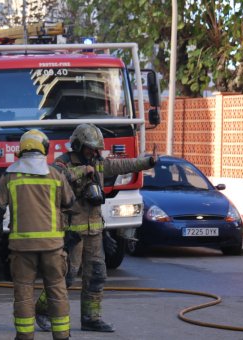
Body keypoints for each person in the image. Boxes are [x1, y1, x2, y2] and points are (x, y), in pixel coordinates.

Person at [35, 123, 158, 332]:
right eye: (90, 148)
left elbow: (122, 165)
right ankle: (43, 310)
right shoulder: (63, 163)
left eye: (96, 149)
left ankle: (91, 318)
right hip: (71, 233)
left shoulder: (99, 162)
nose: (94, 153)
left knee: (97, 275)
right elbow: (55, 178)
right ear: (77, 145)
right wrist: (83, 171)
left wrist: (148, 161)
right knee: (66, 275)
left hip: (94, 232)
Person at [0, 129, 75, 340]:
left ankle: (25, 336)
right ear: (44, 149)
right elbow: (71, 203)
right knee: (56, 290)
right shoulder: (56, 175)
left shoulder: (10, 176)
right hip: (53, 246)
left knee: (24, 292)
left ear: (21, 150)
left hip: (22, 248)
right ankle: (62, 335)